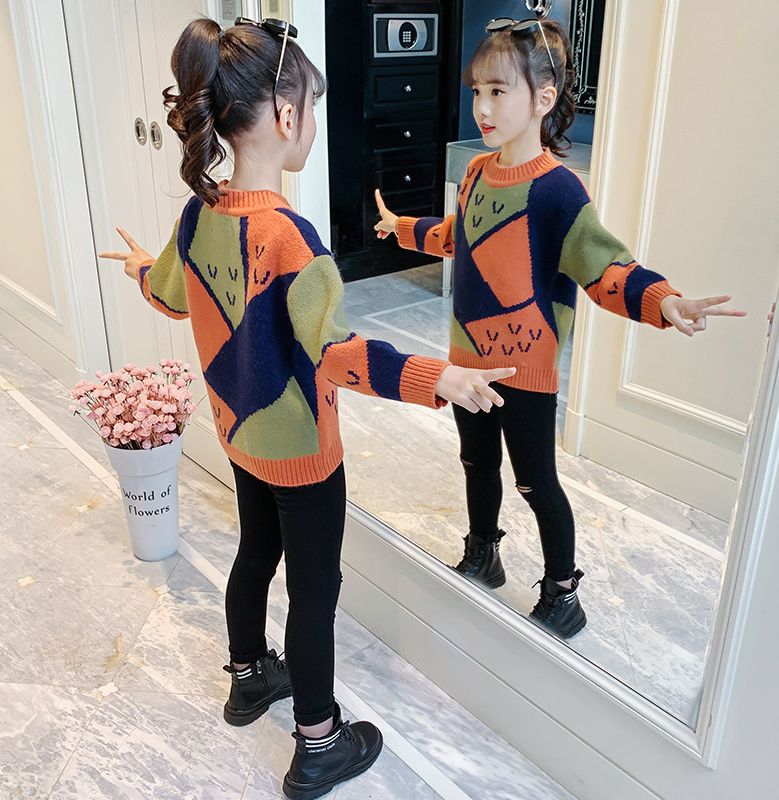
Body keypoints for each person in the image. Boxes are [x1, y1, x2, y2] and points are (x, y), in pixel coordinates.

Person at [99, 16, 514, 800]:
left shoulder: (199, 212)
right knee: (314, 593)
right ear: (288, 116)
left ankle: (248, 677)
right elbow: (339, 355)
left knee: (255, 552)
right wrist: (439, 377)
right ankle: (320, 743)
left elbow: (172, 292)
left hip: (239, 435)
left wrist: (139, 268)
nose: (314, 124)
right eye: (313, 108)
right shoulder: (291, 238)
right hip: (301, 451)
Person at [374, 13, 746, 641]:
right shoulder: (476, 172)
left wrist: (664, 302)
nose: (482, 106)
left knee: (535, 480)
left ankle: (563, 590)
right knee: (475, 462)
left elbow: (605, 266)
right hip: (467, 361)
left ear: (543, 99)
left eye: (499, 90)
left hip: (526, 367)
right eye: (477, 90)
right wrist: (403, 228)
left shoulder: (558, 191)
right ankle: (483, 552)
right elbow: (459, 237)